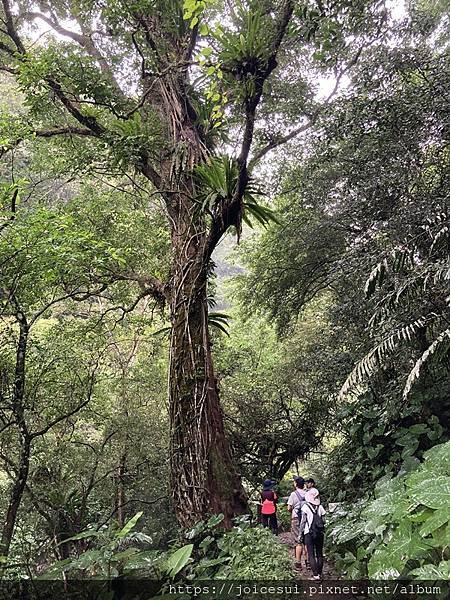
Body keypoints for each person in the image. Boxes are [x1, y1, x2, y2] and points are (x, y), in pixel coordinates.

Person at [298, 488, 326, 580]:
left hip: (308, 533)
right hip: (320, 533)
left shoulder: (305, 507)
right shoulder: (321, 508)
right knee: (319, 553)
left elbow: (302, 523)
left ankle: (315, 575)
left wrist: (300, 534)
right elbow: (324, 521)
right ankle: (320, 573)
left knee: (311, 554)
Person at [287, 477, 306, 567]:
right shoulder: (307, 493)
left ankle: (298, 563)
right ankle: (308, 562)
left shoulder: (293, 494)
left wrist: (293, 511)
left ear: (295, 484)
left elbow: (289, 508)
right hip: (306, 519)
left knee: (298, 541)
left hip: (296, 518)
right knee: (306, 540)